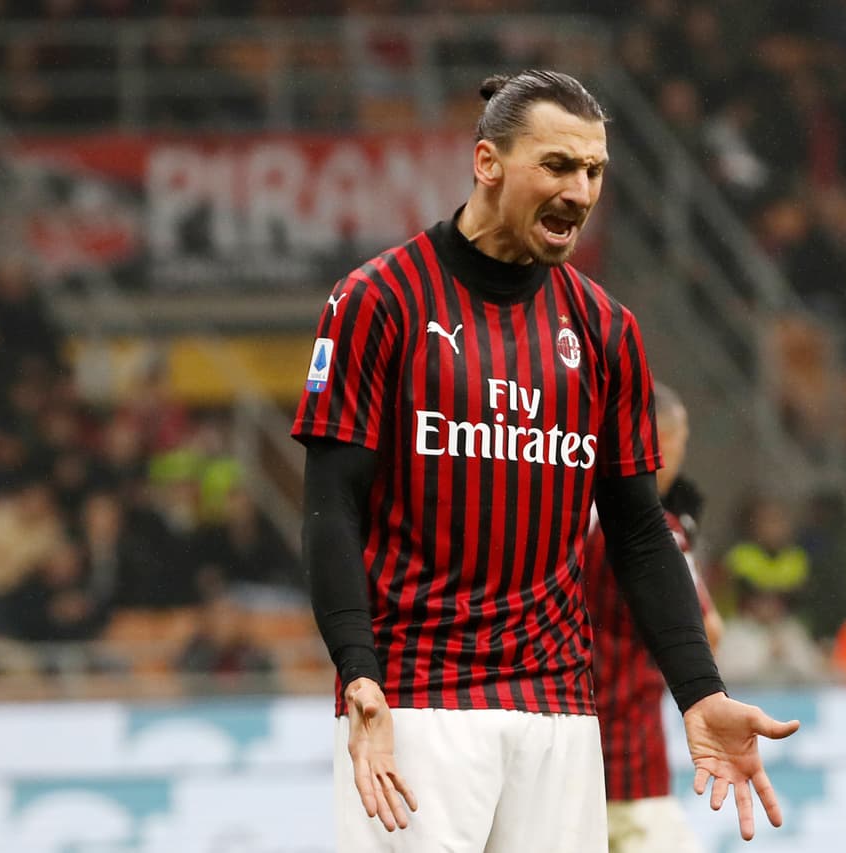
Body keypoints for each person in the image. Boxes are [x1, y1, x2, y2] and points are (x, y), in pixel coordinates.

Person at [292, 70, 798, 853]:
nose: (580, 190)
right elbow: (332, 508)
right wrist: (358, 668)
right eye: (558, 165)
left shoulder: (605, 329)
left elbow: (638, 531)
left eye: (594, 170)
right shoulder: (379, 300)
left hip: (558, 707)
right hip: (415, 700)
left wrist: (700, 692)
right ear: (488, 163)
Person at [582, 382, 723, 853]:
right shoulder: (657, 534)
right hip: (632, 762)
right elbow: (709, 632)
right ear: (662, 442)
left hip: (566, 750)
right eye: (682, 441)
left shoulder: (571, 517)